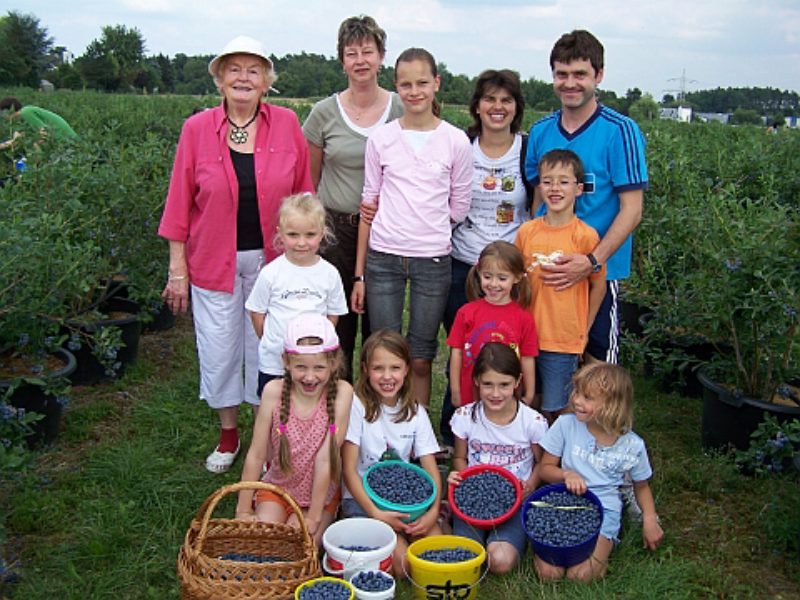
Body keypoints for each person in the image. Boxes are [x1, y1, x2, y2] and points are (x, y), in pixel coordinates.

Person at [158, 35, 313, 473]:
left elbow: (304, 192)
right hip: (213, 262)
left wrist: (303, 253)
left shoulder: (286, 124)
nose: (243, 78)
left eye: (253, 70)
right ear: (220, 79)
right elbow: (178, 201)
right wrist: (178, 269)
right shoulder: (197, 129)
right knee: (221, 348)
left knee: (268, 348)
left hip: (274, 262)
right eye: (234, 69)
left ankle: (266, 438)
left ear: (267, 81)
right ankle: (229, 434)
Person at [352, 47, 473, 407]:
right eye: (405, 84)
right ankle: (382, 428)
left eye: (422, 82)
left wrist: (426, 226)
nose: (414, 91)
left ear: (436, 83)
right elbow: (369, 203)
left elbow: (459, 206)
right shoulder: (381, 139)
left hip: (432, 261)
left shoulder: (455, 141)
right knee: (384, 353)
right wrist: (360, 274)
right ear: (396, 87)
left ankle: (417, 430)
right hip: (384, 257)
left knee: (420, 356)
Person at [524, 30, 647, 365]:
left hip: (598, 273)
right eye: (562, 74)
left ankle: (609, 420)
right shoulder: (541, 132)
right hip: (549, 270)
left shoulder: (620, 131)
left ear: (599, 75)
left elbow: (632, 210)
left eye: (580, 74)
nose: (570, 83)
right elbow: (538, 200)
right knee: (544, 357)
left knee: (596, 365)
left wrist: (591, 261)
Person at [303, 15, 404, 381]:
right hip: (335, 230)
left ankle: (379, 407)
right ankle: (338, 402)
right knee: (338, 322)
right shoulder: (323, 114)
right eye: (351, 53)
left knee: (382, 327)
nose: (360, 60)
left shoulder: (401, 110)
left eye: (368, 51)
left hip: (386, 230)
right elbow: (309, 182)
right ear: (341, 60)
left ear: (381, 56)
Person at [439, 69, 533, 449]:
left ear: (516, 108)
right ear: (476, 106)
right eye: (490, 99)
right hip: (464, 264)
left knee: (509, 347)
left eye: (506, 100)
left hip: (511, 269)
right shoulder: (461, 145)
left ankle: (508, 433)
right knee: (466, 348)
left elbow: (539, 204)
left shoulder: (526, 149)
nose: (497, 107)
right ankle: (455, 431)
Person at [535, 363, 663, 582]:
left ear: (613, 405)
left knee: (581, 576)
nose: (576, 400)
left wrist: (650, 520)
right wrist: (566, 475)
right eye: (576, 392)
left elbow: (641, 486)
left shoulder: (632, 445)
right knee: (549, 574)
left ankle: (602, 549)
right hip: (562, 501)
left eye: (587, 397)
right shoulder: (565, 425)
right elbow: (544, 469)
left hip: (604, 507)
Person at [235, 313, 352, 547]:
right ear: (286, 362)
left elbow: (325, 460)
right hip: (279, 488)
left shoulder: (342, 392)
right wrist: (243, 510)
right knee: (262, 542)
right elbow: (257, 454)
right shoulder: (273, 392)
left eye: (319, 367)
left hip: (318, 496)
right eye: (300, 367)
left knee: (298, 546)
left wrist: (313, 517)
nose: (309, 377)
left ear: (333, 363)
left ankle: (317, 521)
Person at [341, 329, 443, 576]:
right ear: (365, 369)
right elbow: (349, 470)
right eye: (378, 368)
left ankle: (432, 526)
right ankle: (389, 540)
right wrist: (376, 513)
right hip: (363, 500)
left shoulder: (415, 412)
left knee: (435, 553)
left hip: (406, 502)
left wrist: (433, 511)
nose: (387, 376)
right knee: (405, 566)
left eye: (395, 368)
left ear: (407, 369)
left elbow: (430, 469)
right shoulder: (357, 406)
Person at [515, 149, 606, 422]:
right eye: (547, 181)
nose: (555, 188)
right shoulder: (526, 232)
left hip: (563, 338)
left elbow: (598, 286)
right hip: (527, 335)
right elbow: (517, 281)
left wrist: (584, 330)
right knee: (527, 400)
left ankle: (556, 458)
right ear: (538, 187)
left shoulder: (586, 237)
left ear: (579, 189)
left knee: (557, 405)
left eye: (564, 182)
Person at [447, 343, 549, 574]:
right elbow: (460, 457)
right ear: (476, 381)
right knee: (466, 557)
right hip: (473, 497)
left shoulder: (532, 423)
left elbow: (542, 462)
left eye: (504, 385)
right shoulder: (465, 417)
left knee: (500, 562)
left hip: (513, 501)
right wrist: (461, 477)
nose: (495, 393)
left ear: (517, 381)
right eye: (487, 384)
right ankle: (448, 519)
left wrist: (530, 486)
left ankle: (505, 538)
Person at [245, 193, 348, 398]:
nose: (302, 243)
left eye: (310, 235)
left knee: (310, 407)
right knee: (271, 405)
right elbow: (257, 311)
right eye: (293, 235)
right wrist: (270, 340)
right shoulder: (271, 273)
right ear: (280, 234)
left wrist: (317, 345)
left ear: (322, 233)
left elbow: (333, 315)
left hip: (313, 364)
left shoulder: (329, 273)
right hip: (275, 361)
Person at [447, 241, 538, 409]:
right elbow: (457, 353)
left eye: (502, 278)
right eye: (487, 277)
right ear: (479, 273)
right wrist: (455, 390)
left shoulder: (524, 318)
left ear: (517, 277)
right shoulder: (466, 312)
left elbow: (527, 357)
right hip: (471, 392)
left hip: (506, 394)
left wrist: (530, 392)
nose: (494, 284)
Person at [0, 96, 78, 152]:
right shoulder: (23, 118)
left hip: (66, 142)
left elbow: (44, 133)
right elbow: (16, 141)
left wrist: (34, 148)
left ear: (9, 110)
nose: (3, 116)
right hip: (66, 141)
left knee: (34, 147)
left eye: (3, 113)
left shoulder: (26, 112)